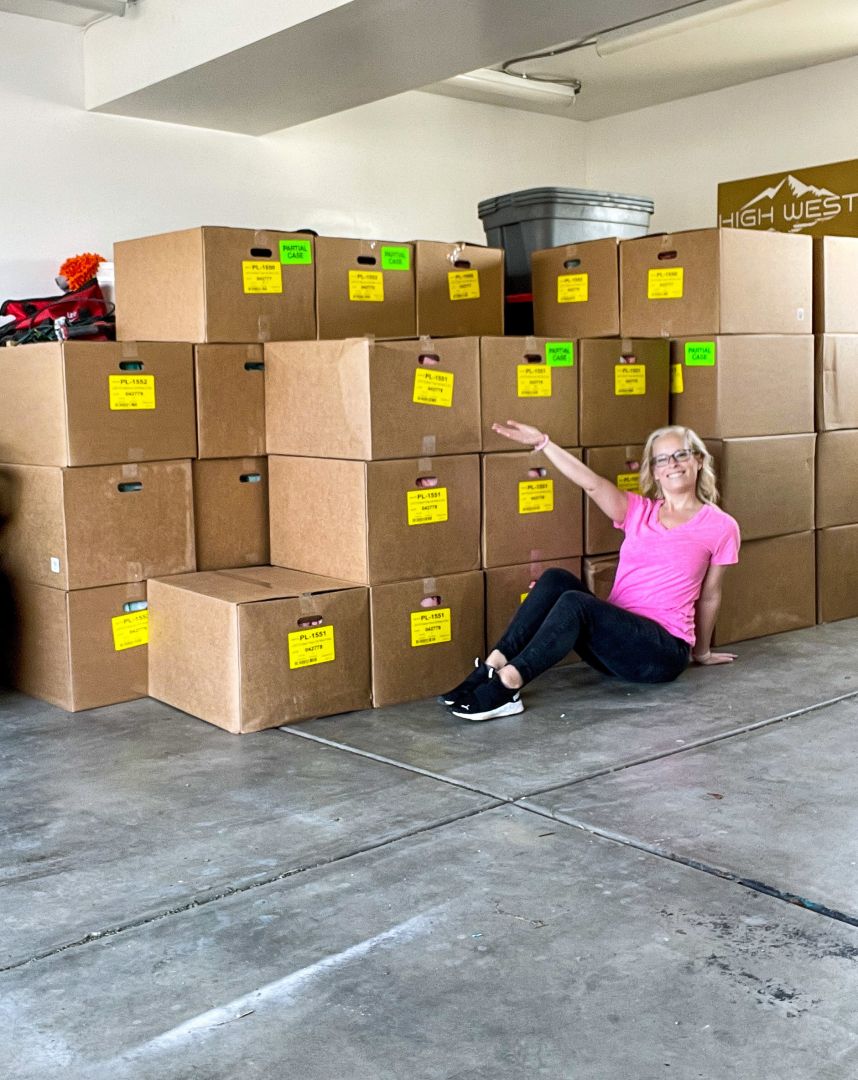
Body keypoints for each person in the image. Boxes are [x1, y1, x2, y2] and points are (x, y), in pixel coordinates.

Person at [443, 421, 741, 722]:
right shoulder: (639, 511)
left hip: (661, 653)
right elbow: (592, 484)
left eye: (681, 454)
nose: (672, 464)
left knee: (576, 603)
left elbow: (710, 595)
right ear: (654, 471)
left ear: (698, 460)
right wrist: (544, 443)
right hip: (614, 645)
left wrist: (701, 652)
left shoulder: (721, 526)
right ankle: (491, 667)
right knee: (556, 579)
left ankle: (508, 685)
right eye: (662, 459)